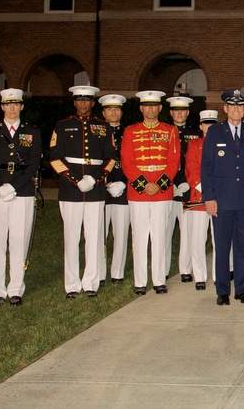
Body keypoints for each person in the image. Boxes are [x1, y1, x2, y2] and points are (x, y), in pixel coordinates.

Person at [49, 85, 116, 299]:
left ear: (93, 103)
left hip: (95, 190)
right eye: (79, 100)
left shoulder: (104, 127)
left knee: (95, 237)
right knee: (71, 237)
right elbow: (55, 158)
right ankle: (71, 284)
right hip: (71, 190)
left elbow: (111, 158)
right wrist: (77, 180)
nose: (83, 104)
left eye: (87, 100)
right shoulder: (62, 126)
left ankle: (91, 283)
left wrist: (94, 179)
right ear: (74, 103)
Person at [0, 88, 42, 306]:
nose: (12, 108)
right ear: (2, 107)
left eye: (16, 104)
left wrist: (13, 186)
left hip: (22, 192)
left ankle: (16, 288)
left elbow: (34, 164)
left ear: (22, 106)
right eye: (8, 104)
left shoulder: (32, 132)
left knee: (19, 240)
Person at [203, 88, 244, 305]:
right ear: (225, 109)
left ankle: (242, 290)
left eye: (241, 106)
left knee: (242, 246)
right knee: (222, 247)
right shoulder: (215, 132)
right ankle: (222, 291)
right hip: (222, 199)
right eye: (233, 106)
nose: (237, 110)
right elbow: (206, 167)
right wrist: (209, 197)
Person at [120, 90, 181, 295]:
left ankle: (158, 279)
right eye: (146, 106)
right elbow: (127, 162)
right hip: (138, 192)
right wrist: (144, 184)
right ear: (141, 108)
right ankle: (140, 281)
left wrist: (159, 184)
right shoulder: (130, 131)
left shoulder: (170, 131)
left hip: (162, 191)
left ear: (160, 108)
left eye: (154, 106)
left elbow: (174, 162)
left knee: (160, 235)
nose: (150, 109)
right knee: (139, 236)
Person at [166, 95, 201, 283]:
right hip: (166, 189)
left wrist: (189, 182)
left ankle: (185, 269)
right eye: (175, 110)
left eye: (183, 110)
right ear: (171, 113)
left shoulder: (196, 134)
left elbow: (197, 162)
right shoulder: (163, 132)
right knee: (164, 230)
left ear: (187, 113)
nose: (179, 114)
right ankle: (163, 269)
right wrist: (168, 182)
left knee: (187, 232)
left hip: (188, 189)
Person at [183, 109, 219, 290]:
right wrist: (204, 189)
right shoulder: (194, 145)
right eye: (206, 124)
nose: (209, 127)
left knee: (218, 240)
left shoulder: (223, 144)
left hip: (219, 198)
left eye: (213, 124)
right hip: (199, 198)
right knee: (197, 239)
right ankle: (199, 276)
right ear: (201, 126)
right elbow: (190, 168)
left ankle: (217, 275)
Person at [99, 94, 130, 285]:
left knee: (121, 234)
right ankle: (100, 272)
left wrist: (124, 182)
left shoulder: (129, 133)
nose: (113, 112)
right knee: (99, 234)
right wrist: (102, 182)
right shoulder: (96, 133)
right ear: (103, 112)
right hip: (101, 188)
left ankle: (117, 272)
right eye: (109, 109)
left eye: (117, 109)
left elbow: (135, 161)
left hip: (123, 188)